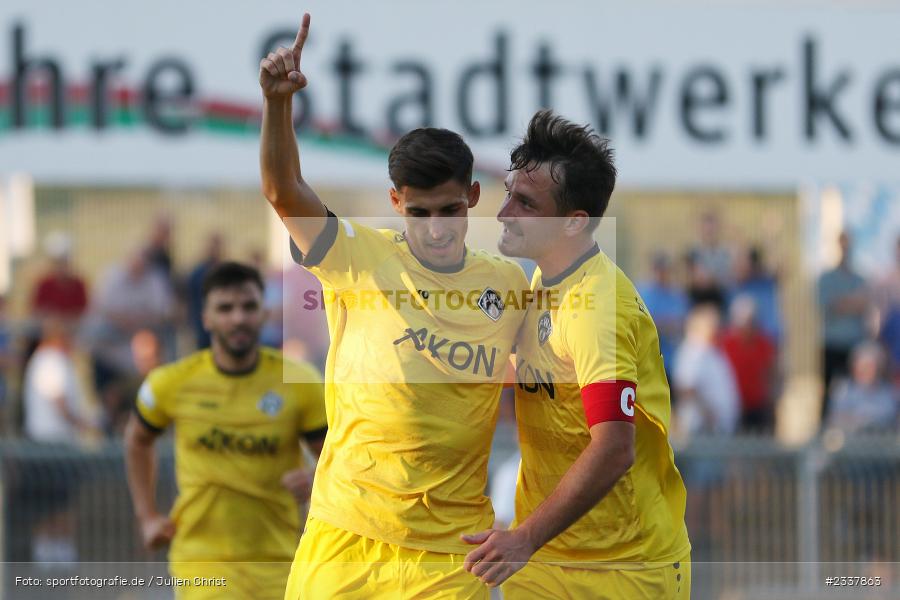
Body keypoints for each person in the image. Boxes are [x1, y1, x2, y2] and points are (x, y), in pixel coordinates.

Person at [259, 13, 528, 598]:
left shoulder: (508, 286)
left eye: (450, 211)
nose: (435, 229)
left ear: (474, 198)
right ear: (395, 202)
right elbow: (283, 191)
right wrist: (277, 104)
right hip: (346, 539)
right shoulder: (357, 256)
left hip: (451, 555)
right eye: (419, 213)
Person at [462, 110, 691, 598]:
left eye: (525, 203)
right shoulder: (544, 280)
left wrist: (523, 537)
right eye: (508, 194)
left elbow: (614, 448)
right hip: (548, 560)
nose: (504, 213)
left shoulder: (596, 307)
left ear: (573, 222)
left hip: (622, 569)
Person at [124, 262, 327, 600]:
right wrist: (147, 516)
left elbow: (336, 457)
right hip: (202, 561)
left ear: (263, 313)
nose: (238, 318)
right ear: (206, 317)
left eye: (248, 307)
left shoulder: (300, 381)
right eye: (225, 308)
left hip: (280, 560)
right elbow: (137, 440)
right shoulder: (173, 383)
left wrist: (315, 476)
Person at [817, 232, 871, 417]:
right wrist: (852, 303)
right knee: (827, 390)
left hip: (853, 344)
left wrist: (845, 303)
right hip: (832, 343)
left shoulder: (859, 279)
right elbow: (830, 305)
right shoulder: (827, 278)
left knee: (855, 391)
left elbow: (864, 305)